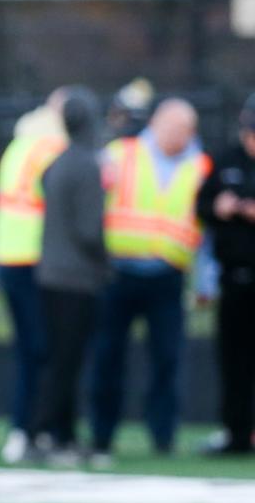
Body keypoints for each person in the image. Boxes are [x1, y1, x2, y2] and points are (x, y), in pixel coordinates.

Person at [88, 98, 210, 463]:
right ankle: (101, 435)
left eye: (184, 130)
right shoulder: (118, 155)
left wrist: (205, 281)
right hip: (118, 273)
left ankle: (163, 437)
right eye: (170, 127)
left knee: (168, 360)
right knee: (108, 357)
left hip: (167, 276)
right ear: (155, 124)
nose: (176, 136)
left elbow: (205, 232)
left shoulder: (200, 166)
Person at [31, 87, 109, 465]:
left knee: (60, 359)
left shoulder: (59, 162)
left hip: (51, 275)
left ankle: (57, 434)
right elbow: (89, 231)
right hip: (77, 278)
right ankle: (49, 434)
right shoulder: (86, 165)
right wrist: (106, 264)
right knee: (68, 362)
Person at [0, 89, 67, 463]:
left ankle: (22, 431)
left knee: (27, 349)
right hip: (36, 256)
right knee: (42, 350)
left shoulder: (20, 143)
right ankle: (34, 430)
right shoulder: (53, 146)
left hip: (7, 254)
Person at [195, 92, 255, 455]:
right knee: (233, 360)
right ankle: (235, 432)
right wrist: (218, 207)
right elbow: (200, 205)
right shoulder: (225, 160)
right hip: (234, 278)